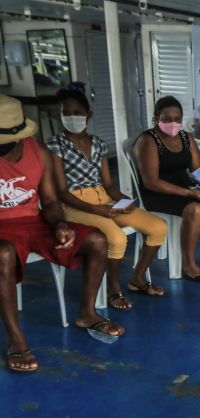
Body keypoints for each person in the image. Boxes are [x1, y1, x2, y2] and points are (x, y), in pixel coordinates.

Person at [0, 95, 124, 372]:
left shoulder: (37, 152)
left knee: (96, 239)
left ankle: (87, 313)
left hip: (34, 222)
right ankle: (16, 339)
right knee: (3, 253)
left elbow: (51, 202)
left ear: (18, 137)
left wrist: (60, 225)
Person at [48, 84, 168, 310]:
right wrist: (97, 210)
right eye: (66, 113)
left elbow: (108, 185)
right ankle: (114, 288)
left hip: (104, 198)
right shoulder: (55, 145)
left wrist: (125, 200)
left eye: (77, 113)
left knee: (157, 226)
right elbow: (62, 192)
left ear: (88, 115)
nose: (72, 117)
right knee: (117, 238)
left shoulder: (98, 143)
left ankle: (137, 278)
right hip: (75, 204)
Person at [134, 96, 200, 282]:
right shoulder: (148, 140)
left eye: (177, 119)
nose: (173, 123)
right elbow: (151, 182)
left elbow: (197, 169)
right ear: (156, 119)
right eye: (167, 119)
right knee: (194, 209)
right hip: (158, 194)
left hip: (186, 188)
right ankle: (189, 265)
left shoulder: (186, 137)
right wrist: (189, 193)